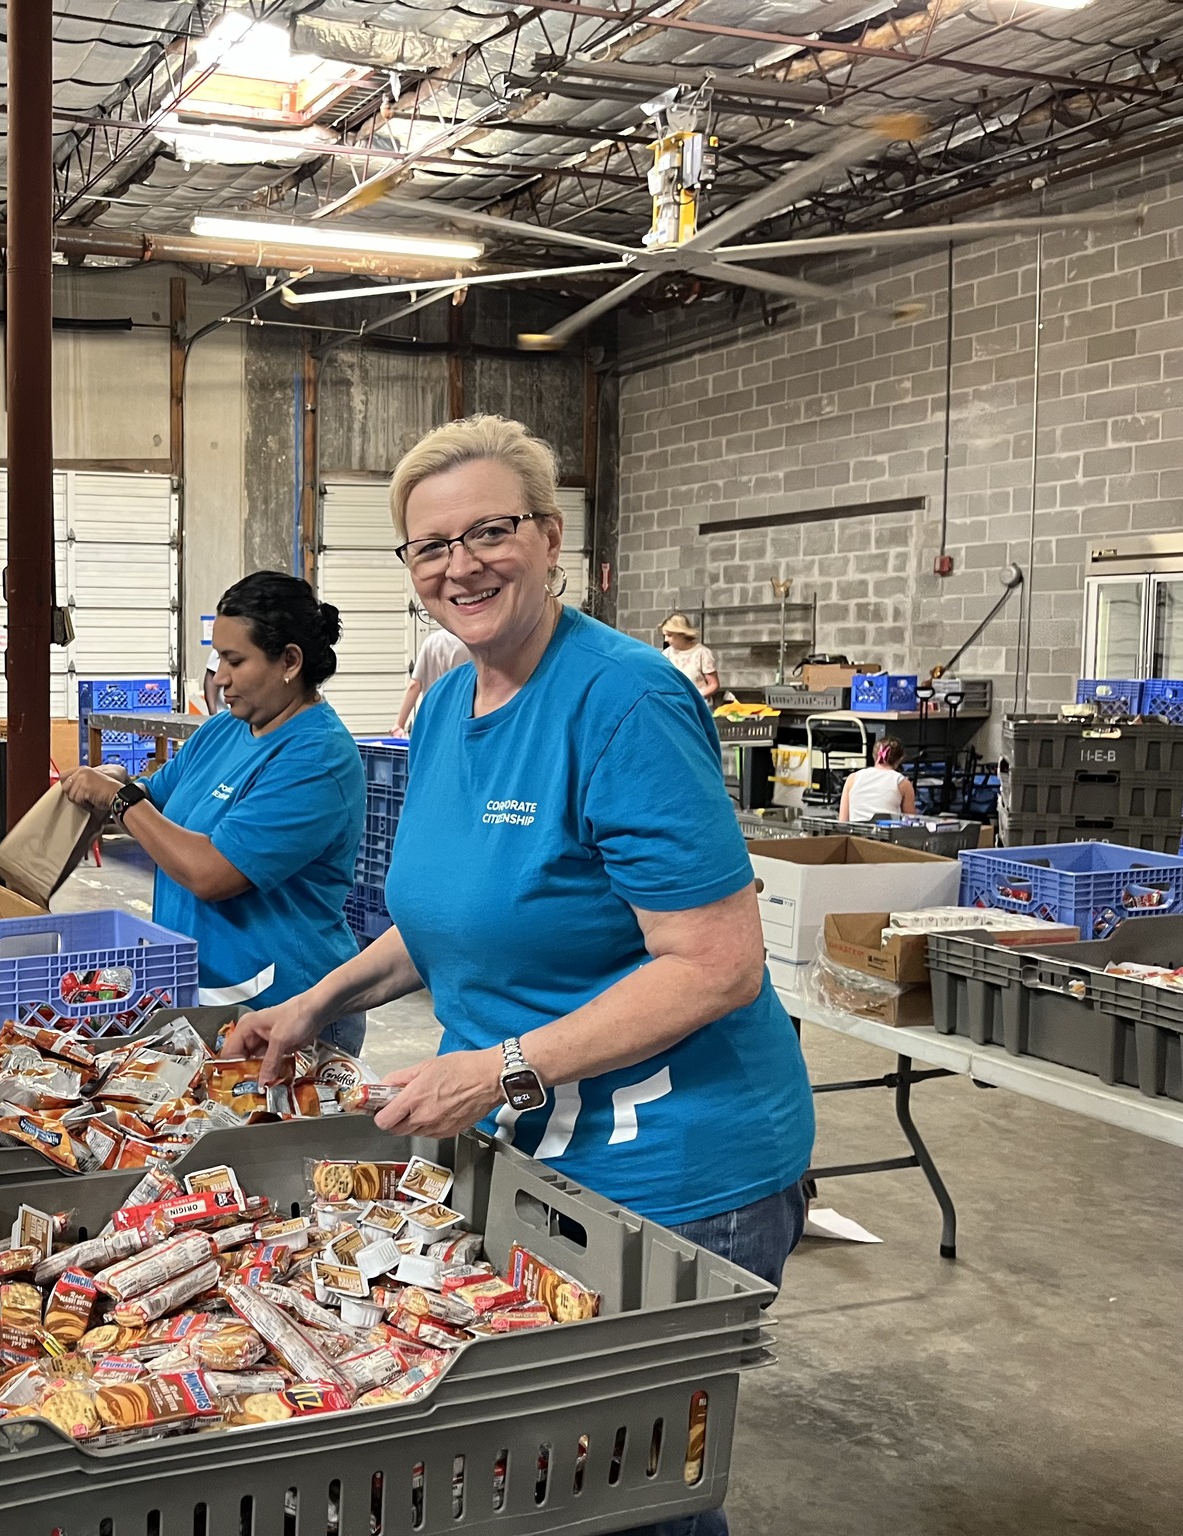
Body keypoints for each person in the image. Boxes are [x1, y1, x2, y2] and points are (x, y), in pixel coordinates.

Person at [229, 418, 811, 1536]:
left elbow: (715, 965)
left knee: (631, 1494)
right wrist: (313, 1003)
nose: (461, 564)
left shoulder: (624, 700)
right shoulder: (452, 702)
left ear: (549, 539)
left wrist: (495, 1069)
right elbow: (458, 919)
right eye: (430, 545)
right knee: (542, 1483)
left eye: (490, 531)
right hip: (536, 1148)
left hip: (672, 1171)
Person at [61, 571, 367, 1050]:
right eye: (218, 657)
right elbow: (154, 800)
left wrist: (119, 798)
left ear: (290, 661)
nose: (219, 677)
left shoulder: (316, 758)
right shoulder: (222, 731)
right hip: (204, 998)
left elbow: (213, 874)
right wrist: (120, 782)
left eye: (234, 660)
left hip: (282, 1009)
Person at [391, 625, 472, 736]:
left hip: (429, 717)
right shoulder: (469, 644)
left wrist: (399, 724)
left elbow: (414, 685)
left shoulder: (430, 641)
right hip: (457, 719)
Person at [840, 738, 915, 822]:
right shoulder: (903, 783)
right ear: (900, 759)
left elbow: (842, 821)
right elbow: (910, 821)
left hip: (856, 830)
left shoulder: (852, 778)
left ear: (874, 755)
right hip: (886, 829)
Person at [660, 612, 721, 702]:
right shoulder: (666, 654)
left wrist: (695, 697)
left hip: (698, 705)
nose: (666, 639)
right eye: (665, 635)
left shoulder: (702, 653)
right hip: (676, 704)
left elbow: (713, 684)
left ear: (681, 633)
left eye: (669, 635)